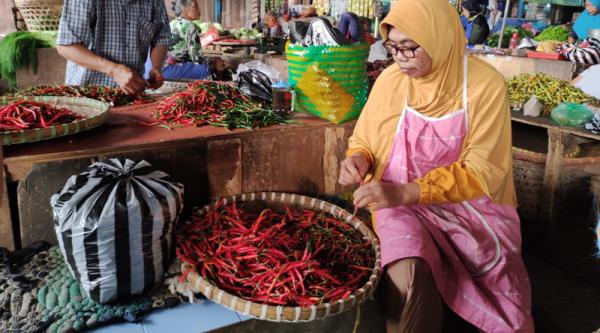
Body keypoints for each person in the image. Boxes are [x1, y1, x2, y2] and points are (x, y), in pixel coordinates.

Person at [338, 0, 534, 332]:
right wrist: (358, 158)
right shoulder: (390, 80)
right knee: (410, 269)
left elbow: (483, 169)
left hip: (467, 204)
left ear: (439, 38)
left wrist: (409, 191)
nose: (400, 57)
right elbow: (365, 140)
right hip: (393, 197)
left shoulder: (484, 85)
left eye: (410, 47)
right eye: (393, 47)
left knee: (497, 276)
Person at [56, 0, 172, 95]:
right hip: (87, 95)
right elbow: (66, 46)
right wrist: (114, 70)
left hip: (132, 95)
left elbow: (161, 38)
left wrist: (156, 67)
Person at [160, 0, 226, 80]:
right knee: (205, 69)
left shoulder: (171, 23)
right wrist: (214, 63)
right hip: (171, 71)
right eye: (195, 6)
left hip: (162, 69)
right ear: (184, 9)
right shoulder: (190, 26)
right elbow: (198, 60)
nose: (199, 10)